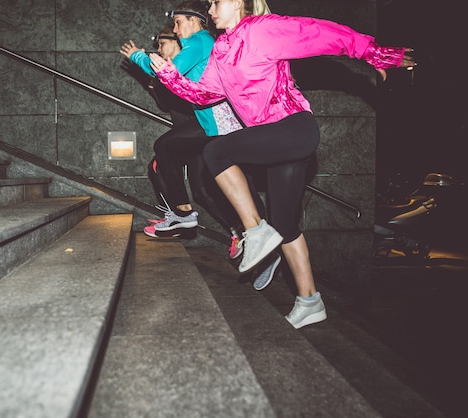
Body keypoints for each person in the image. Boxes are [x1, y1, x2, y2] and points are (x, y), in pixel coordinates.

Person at [150, 0, 415, 328]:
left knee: (216, 152)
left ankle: (256, 231)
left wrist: (372, 52)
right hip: (273, 141)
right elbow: (204, 95)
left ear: (237, 4)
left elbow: (319, 33)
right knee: (286, 224)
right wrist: (168, 75)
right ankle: (310, 300)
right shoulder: (221, 51)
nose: (211, 8)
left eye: (216, 2)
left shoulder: (262, 30)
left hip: (292, 128)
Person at [120, 1, 252, 259]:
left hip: (216, 124)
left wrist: (138, 56)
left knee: (164, 148)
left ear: (193, 21)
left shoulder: (198, 41)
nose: (177, 29)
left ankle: (184, 214)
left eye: (179, 23)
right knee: (202, 187)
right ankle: (241, 229)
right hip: (210, 125)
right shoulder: (200, 45)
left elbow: (170, 72)